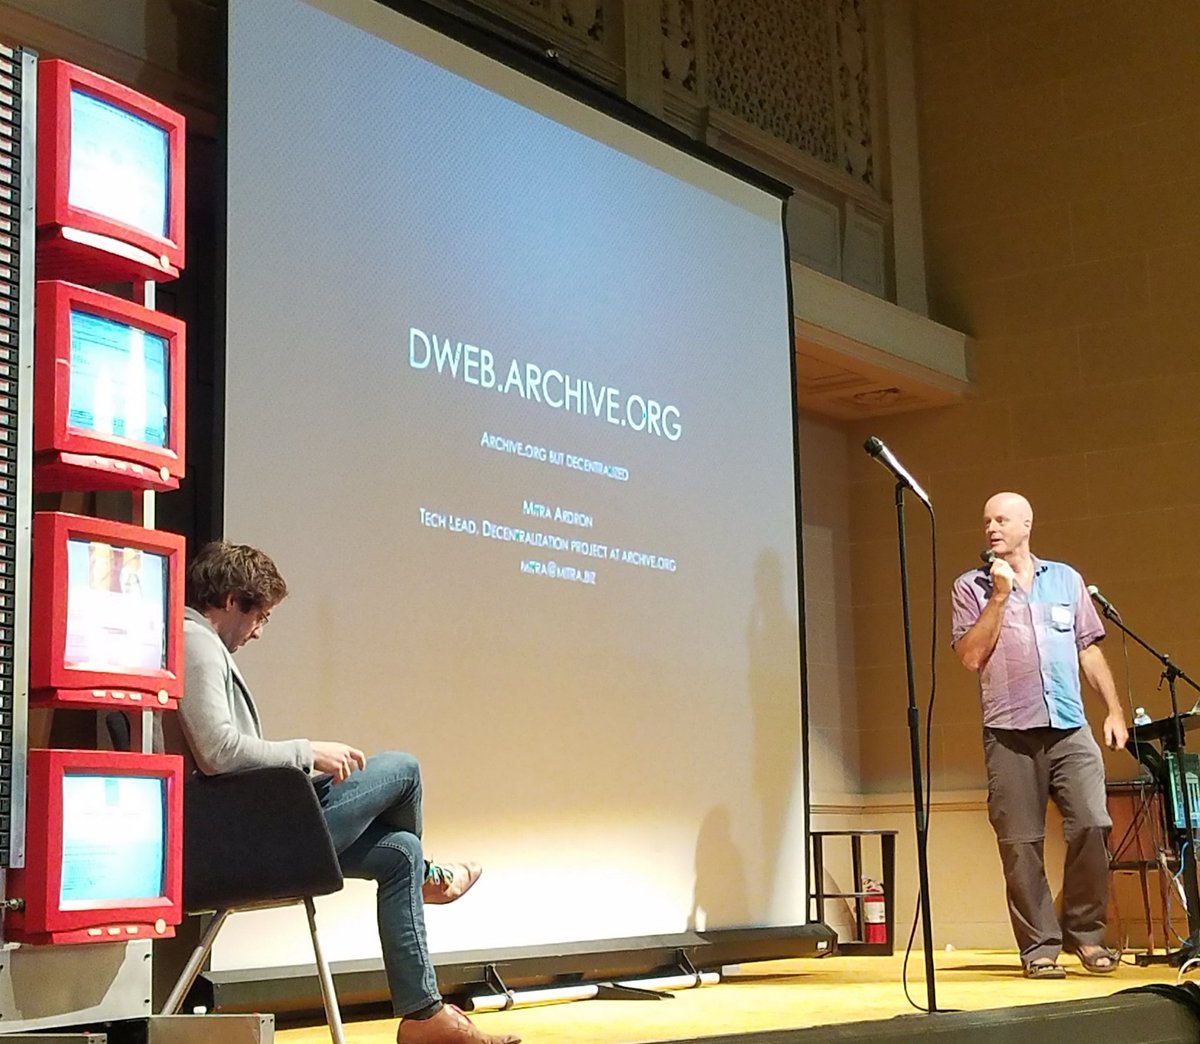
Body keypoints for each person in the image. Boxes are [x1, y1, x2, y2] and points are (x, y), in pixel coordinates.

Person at [164, 541, 520, 1044]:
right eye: (260, 616)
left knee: (400, 851)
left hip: (248, 833)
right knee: (403, 768)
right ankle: (429, 879)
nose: (259, 631)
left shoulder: (194, 642)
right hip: (240, 848)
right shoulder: (195, 641)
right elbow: (219, 753)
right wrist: (307, 752)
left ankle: (425, 1017)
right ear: (230, 600)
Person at [951, 492, 1128, 980]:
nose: (992, 528)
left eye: (1002, 519)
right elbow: (971, 656)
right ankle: (1040, 948)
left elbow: (1088, 650)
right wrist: (999, 596)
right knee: (1020, 843)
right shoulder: (971, 586)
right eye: (987, 521)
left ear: (1026, 524)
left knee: (1093, 822)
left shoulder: (1066, 580)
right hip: (1010, 731)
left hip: (1070, 725)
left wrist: (1114, 710)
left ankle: (1085, 933)